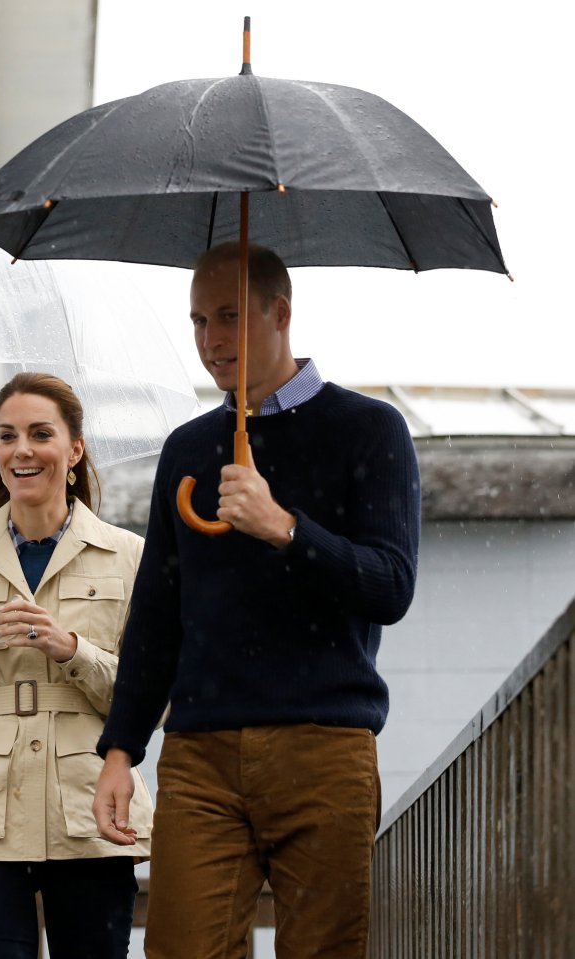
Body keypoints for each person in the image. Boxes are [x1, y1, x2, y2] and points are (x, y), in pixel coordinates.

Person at [93, 242, 421, 959]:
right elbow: (156, 613)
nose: (212, 339)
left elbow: (391, 584)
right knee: (182, 948)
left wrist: (284, 527)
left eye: (231, 316)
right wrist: (121, 748)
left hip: (325, 745)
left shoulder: (372, 430)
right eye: (199, 320)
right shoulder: (187, 451)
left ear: (281, 313)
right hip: (201, 753)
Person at [0, 372, 153, 959]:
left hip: (91, 810)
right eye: (6, 435)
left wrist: (73, 649)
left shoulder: (129, 556)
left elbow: (156, 700)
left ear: (74, 449)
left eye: (40, 433)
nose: (21, 450)